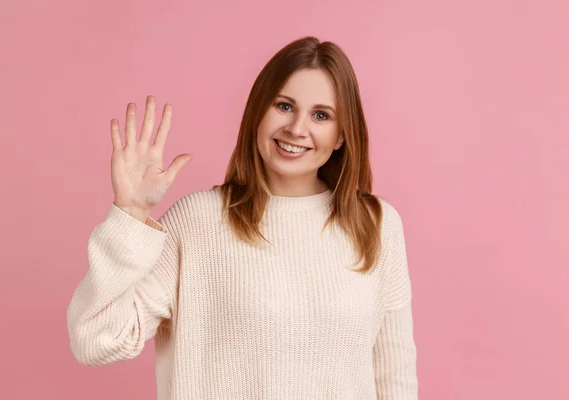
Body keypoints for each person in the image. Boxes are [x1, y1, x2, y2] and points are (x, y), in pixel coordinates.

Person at [67, 36, 418, 399]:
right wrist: (131, 214)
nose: (297, 129)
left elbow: (395, 378)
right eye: (284, 106)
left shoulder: (377, 225)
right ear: (258, 112)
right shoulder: (198, 222)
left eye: (320, 115)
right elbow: (95, 340)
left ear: (342, 135)